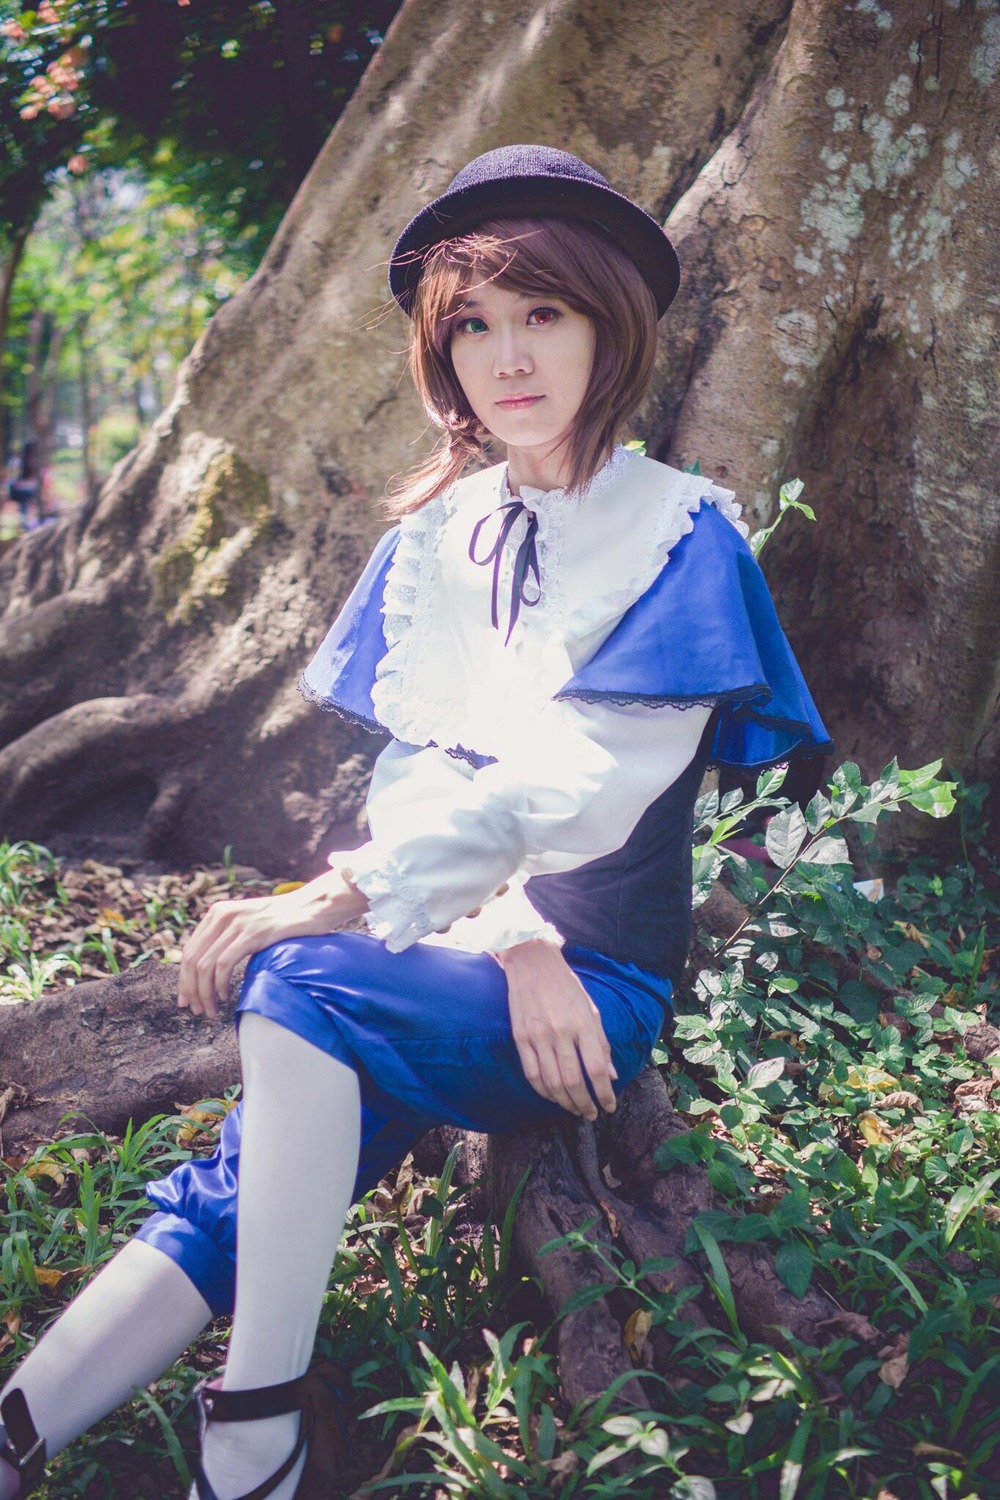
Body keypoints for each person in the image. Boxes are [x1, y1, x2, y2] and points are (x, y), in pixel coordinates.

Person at [0, 145, 831, 1500]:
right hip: (483, 965)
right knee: (249, 1177)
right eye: (473, 326)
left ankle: (256, 1427)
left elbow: (577, 786)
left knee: (301, 980)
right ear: (439, 352)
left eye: (543, 315)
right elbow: (424, 778)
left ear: (609, 320)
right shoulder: (435, 543)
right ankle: (19, 1430)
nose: (509, 357)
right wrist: (510, 942)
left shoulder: (684, 539)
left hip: (595, 993)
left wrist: (336, 902)